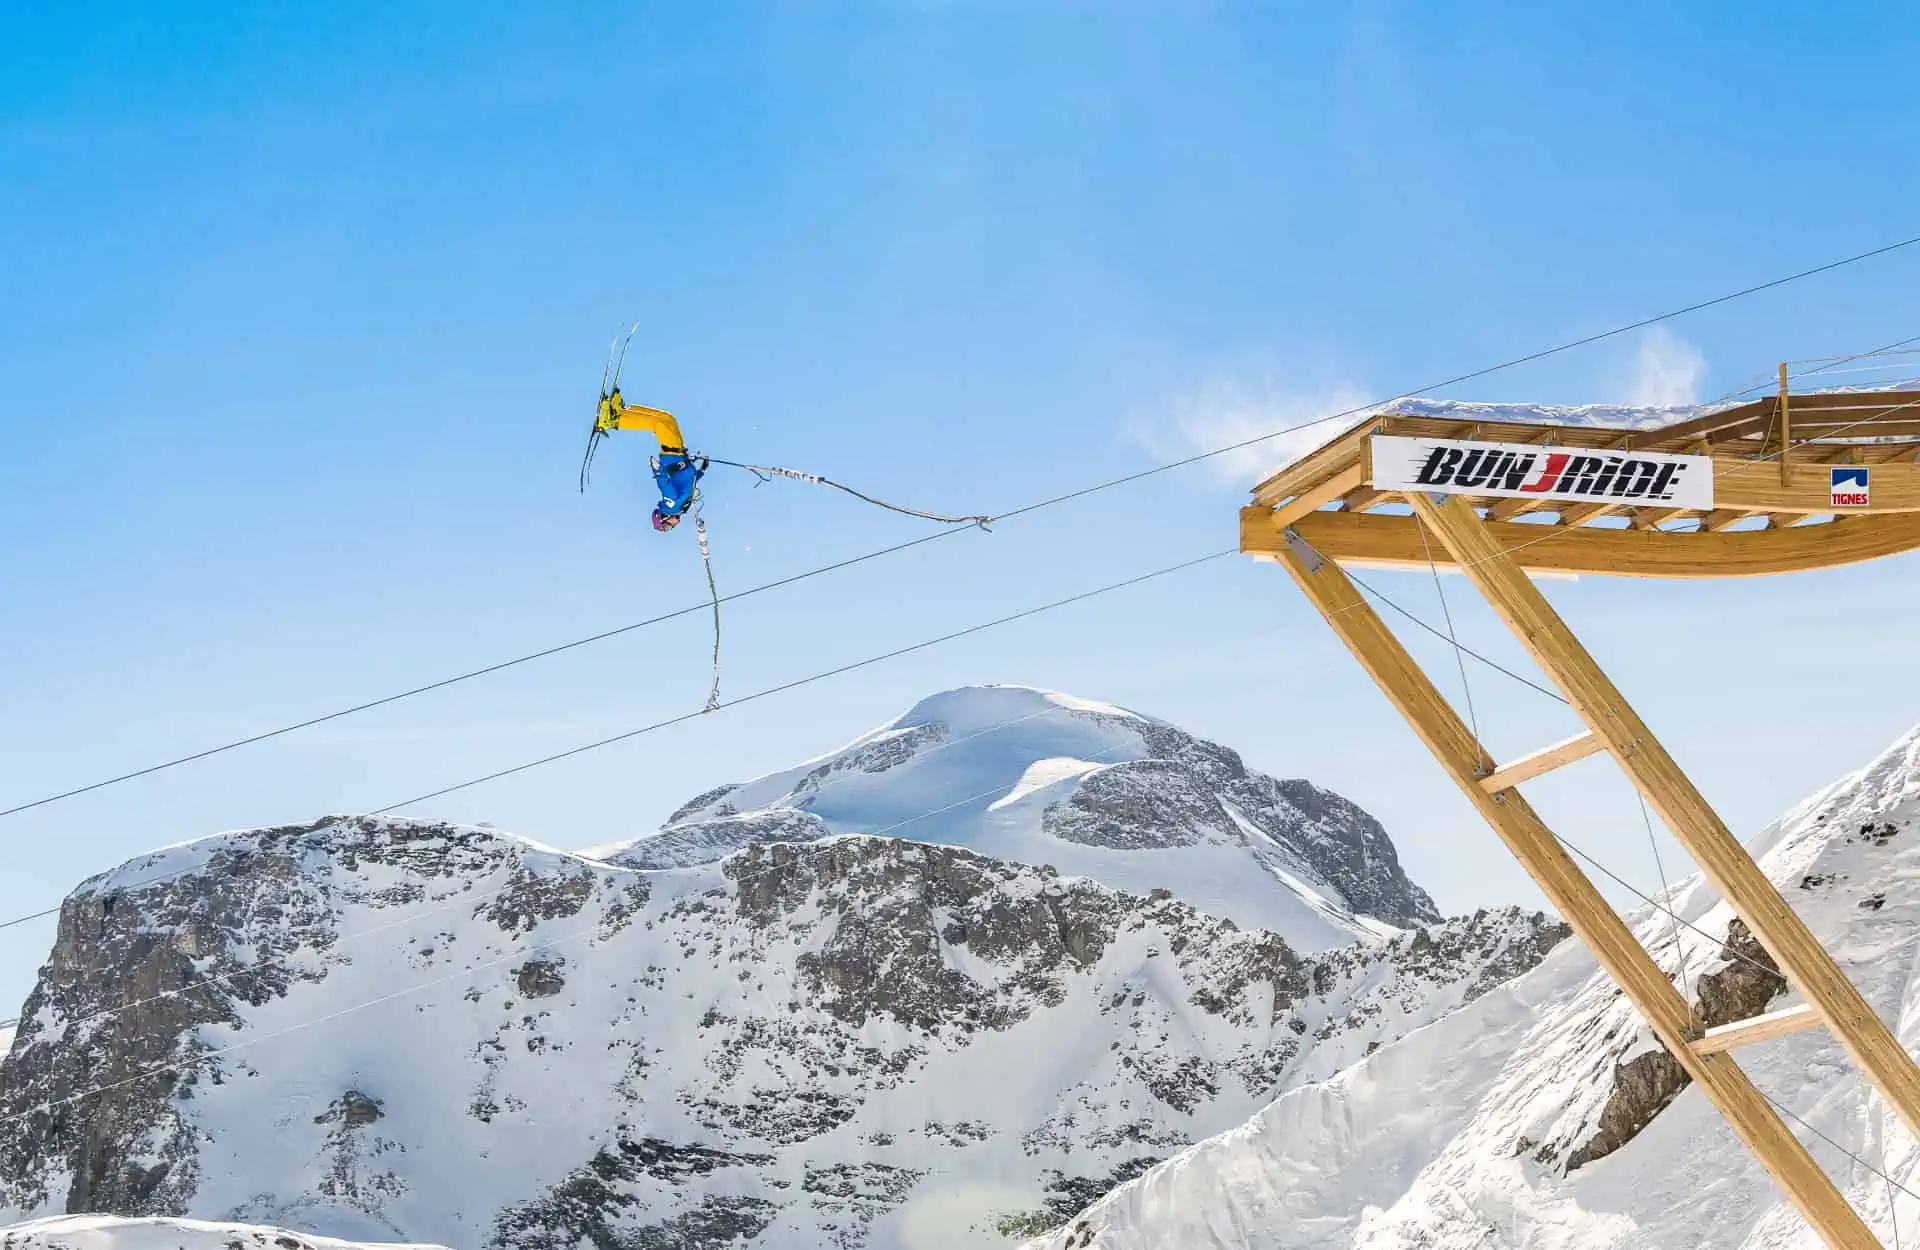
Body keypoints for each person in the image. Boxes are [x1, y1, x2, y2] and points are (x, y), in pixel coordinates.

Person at [595, 390, 709, 531]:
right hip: (678, 453)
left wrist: (658, 471)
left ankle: (613, 421)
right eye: (669, 528)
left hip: (673, 455)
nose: (673, 525)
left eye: (667, 526)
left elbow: (665, 486)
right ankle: (621, 411)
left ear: (663, 517)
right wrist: (701, 471)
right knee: (667, 419)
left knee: (658, 424)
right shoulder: (681, 507)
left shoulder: (671, 505)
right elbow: (687, 484)